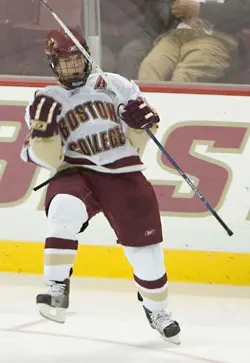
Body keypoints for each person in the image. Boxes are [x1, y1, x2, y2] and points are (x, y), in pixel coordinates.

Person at [20, 27, 181, 344]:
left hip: (123, 171)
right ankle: (56, 288)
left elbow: (138, 144)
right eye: (64, 62)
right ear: (52, 64)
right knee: (64, 207)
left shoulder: (116, 85)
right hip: (76, 170)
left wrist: (142, 125)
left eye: (76, 60)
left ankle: (158, 310)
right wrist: (43, 133)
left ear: (86, 56)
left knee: (147, 256)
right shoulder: (44, 100)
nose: (72, 68)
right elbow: (50, 159)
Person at [138, 0, 239, 83]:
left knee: (185, 76)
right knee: (150, 67)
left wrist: (201, 10)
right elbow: (161, 7)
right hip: (176, 34)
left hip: (214, 37)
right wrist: (180, 11)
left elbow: (244, 10)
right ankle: (148, 107)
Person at [101, 0, 174, 80]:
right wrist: (111, 30)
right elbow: (90, 26)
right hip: (104, 38)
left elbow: (164, 18)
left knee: (130, 56)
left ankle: (128, 90)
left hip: (142, 35)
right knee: (104, 61)